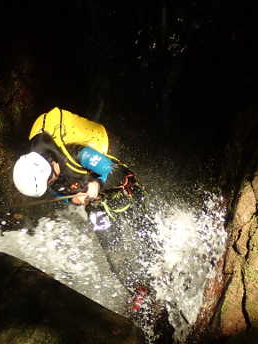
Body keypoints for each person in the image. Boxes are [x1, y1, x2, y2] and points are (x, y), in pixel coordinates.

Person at [13, 107, 157, 311]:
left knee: (131, 205)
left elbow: (119, 173)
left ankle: (158, 259)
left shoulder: (76, 154)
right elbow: (60, 194)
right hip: (87, 192)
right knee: (108, 241)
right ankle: (138, 289)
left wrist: (96, 183)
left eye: (51, 180)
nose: (52, 184)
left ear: (50, 165)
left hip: (102, 156)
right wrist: (75, 200)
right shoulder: (42, 174)